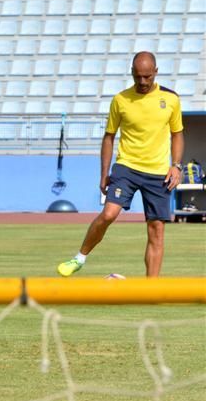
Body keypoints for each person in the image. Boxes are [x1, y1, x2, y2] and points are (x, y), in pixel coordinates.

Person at [57, 51, 184, 277]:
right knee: (109, 214)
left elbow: (177, 134)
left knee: (156, 230)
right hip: (126, 167)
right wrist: (104, 173)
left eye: (147, 76)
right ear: (131, 73)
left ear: (155, 72)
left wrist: (176, 165)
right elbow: (109, 136)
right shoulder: (120, 100)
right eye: (138, 77)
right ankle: (79, 258)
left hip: (158, 173)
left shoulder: (171, 99)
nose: (143, 82)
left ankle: (151, 289)